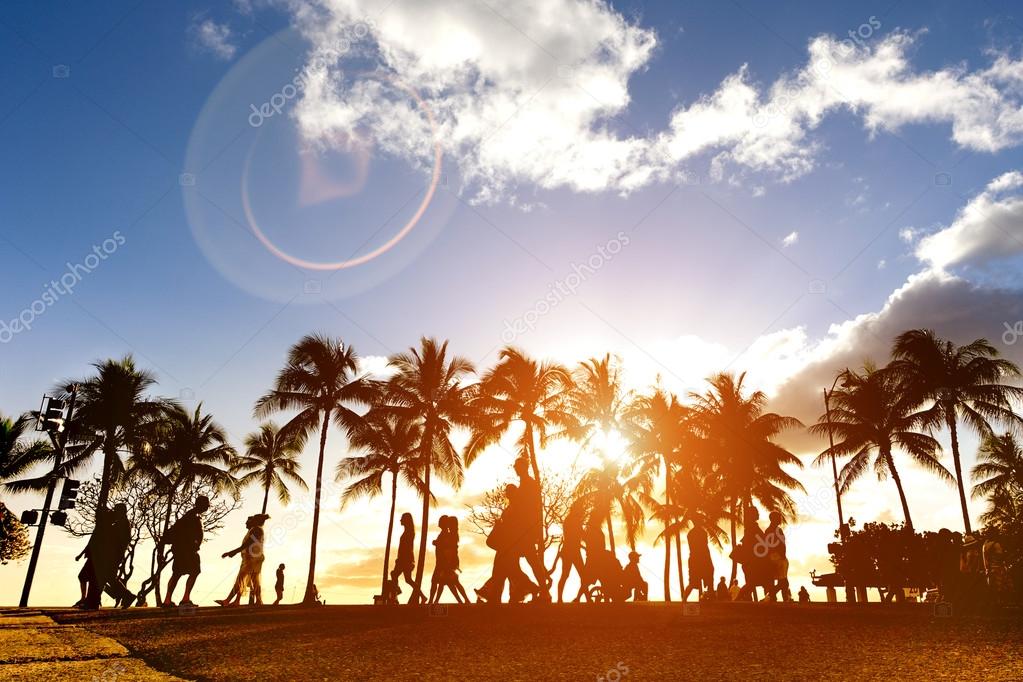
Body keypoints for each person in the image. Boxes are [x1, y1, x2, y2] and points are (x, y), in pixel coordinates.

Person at [161, 495, 210, 608]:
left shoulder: (192, 515)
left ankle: (170, 599)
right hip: (187, 550)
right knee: (192, 572)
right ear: (200, 504)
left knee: (178, 573)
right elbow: (183, 532)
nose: (207, 507)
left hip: (184, 550)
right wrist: (192, 544)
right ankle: (184, 598)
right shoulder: (191, 516)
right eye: (206, 504)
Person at [217, 514, 269, 607]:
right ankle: (258, 600)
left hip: (253, 559)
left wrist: (233, 552)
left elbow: (248, 543)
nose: (249, 521)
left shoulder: (257, 530)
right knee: (254, 580)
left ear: (256, 521)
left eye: (252, 519)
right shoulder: (255, 529)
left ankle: (227, 601)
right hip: (251, 558)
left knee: (241, 579)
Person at [430, 515, 470, 603]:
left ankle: (433, 601)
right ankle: (463, 600)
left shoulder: (449, 535)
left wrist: (436, 543)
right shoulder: (450, 534)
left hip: (447, 562)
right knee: (449, 582)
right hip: (446, 562)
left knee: (450, 582)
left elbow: (447, 548)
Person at [391, 512, 426, 604]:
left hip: (405, 560)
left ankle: (395, 595)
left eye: (402, 518)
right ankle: (422, 596)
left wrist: (400, 559)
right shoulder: (408, 532)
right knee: (405, 579)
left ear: (406, 520)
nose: (400, 520)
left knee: (396, 575)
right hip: (405, 559)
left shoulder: (409, 533)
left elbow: (406, 548)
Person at [556, 504, 587, 603]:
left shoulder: (570, 520)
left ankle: (560, 599)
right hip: (572, 551)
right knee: (582, 575)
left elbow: (576, 537)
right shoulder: (574, 521)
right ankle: (560, 598)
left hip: (569, 550)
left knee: (565, 575)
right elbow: (580, 536)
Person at [764, 511, 790, 602]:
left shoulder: (767, 530)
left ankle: (780, 597)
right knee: (784, 581)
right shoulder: (777, 530)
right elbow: (782, 543)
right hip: (778, 557)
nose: (780, 519)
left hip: (772, 557)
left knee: (782, 580)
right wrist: (782, 555)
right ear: (774, 519)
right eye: (779, 518)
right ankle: (773, 594)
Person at [683, 526, 714, 601]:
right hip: (698, 561)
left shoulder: (692, 534)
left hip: (699, 561)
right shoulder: (695, 534)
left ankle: (711, 598)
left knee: (707, 580)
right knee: (694, 583)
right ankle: (684, 599)